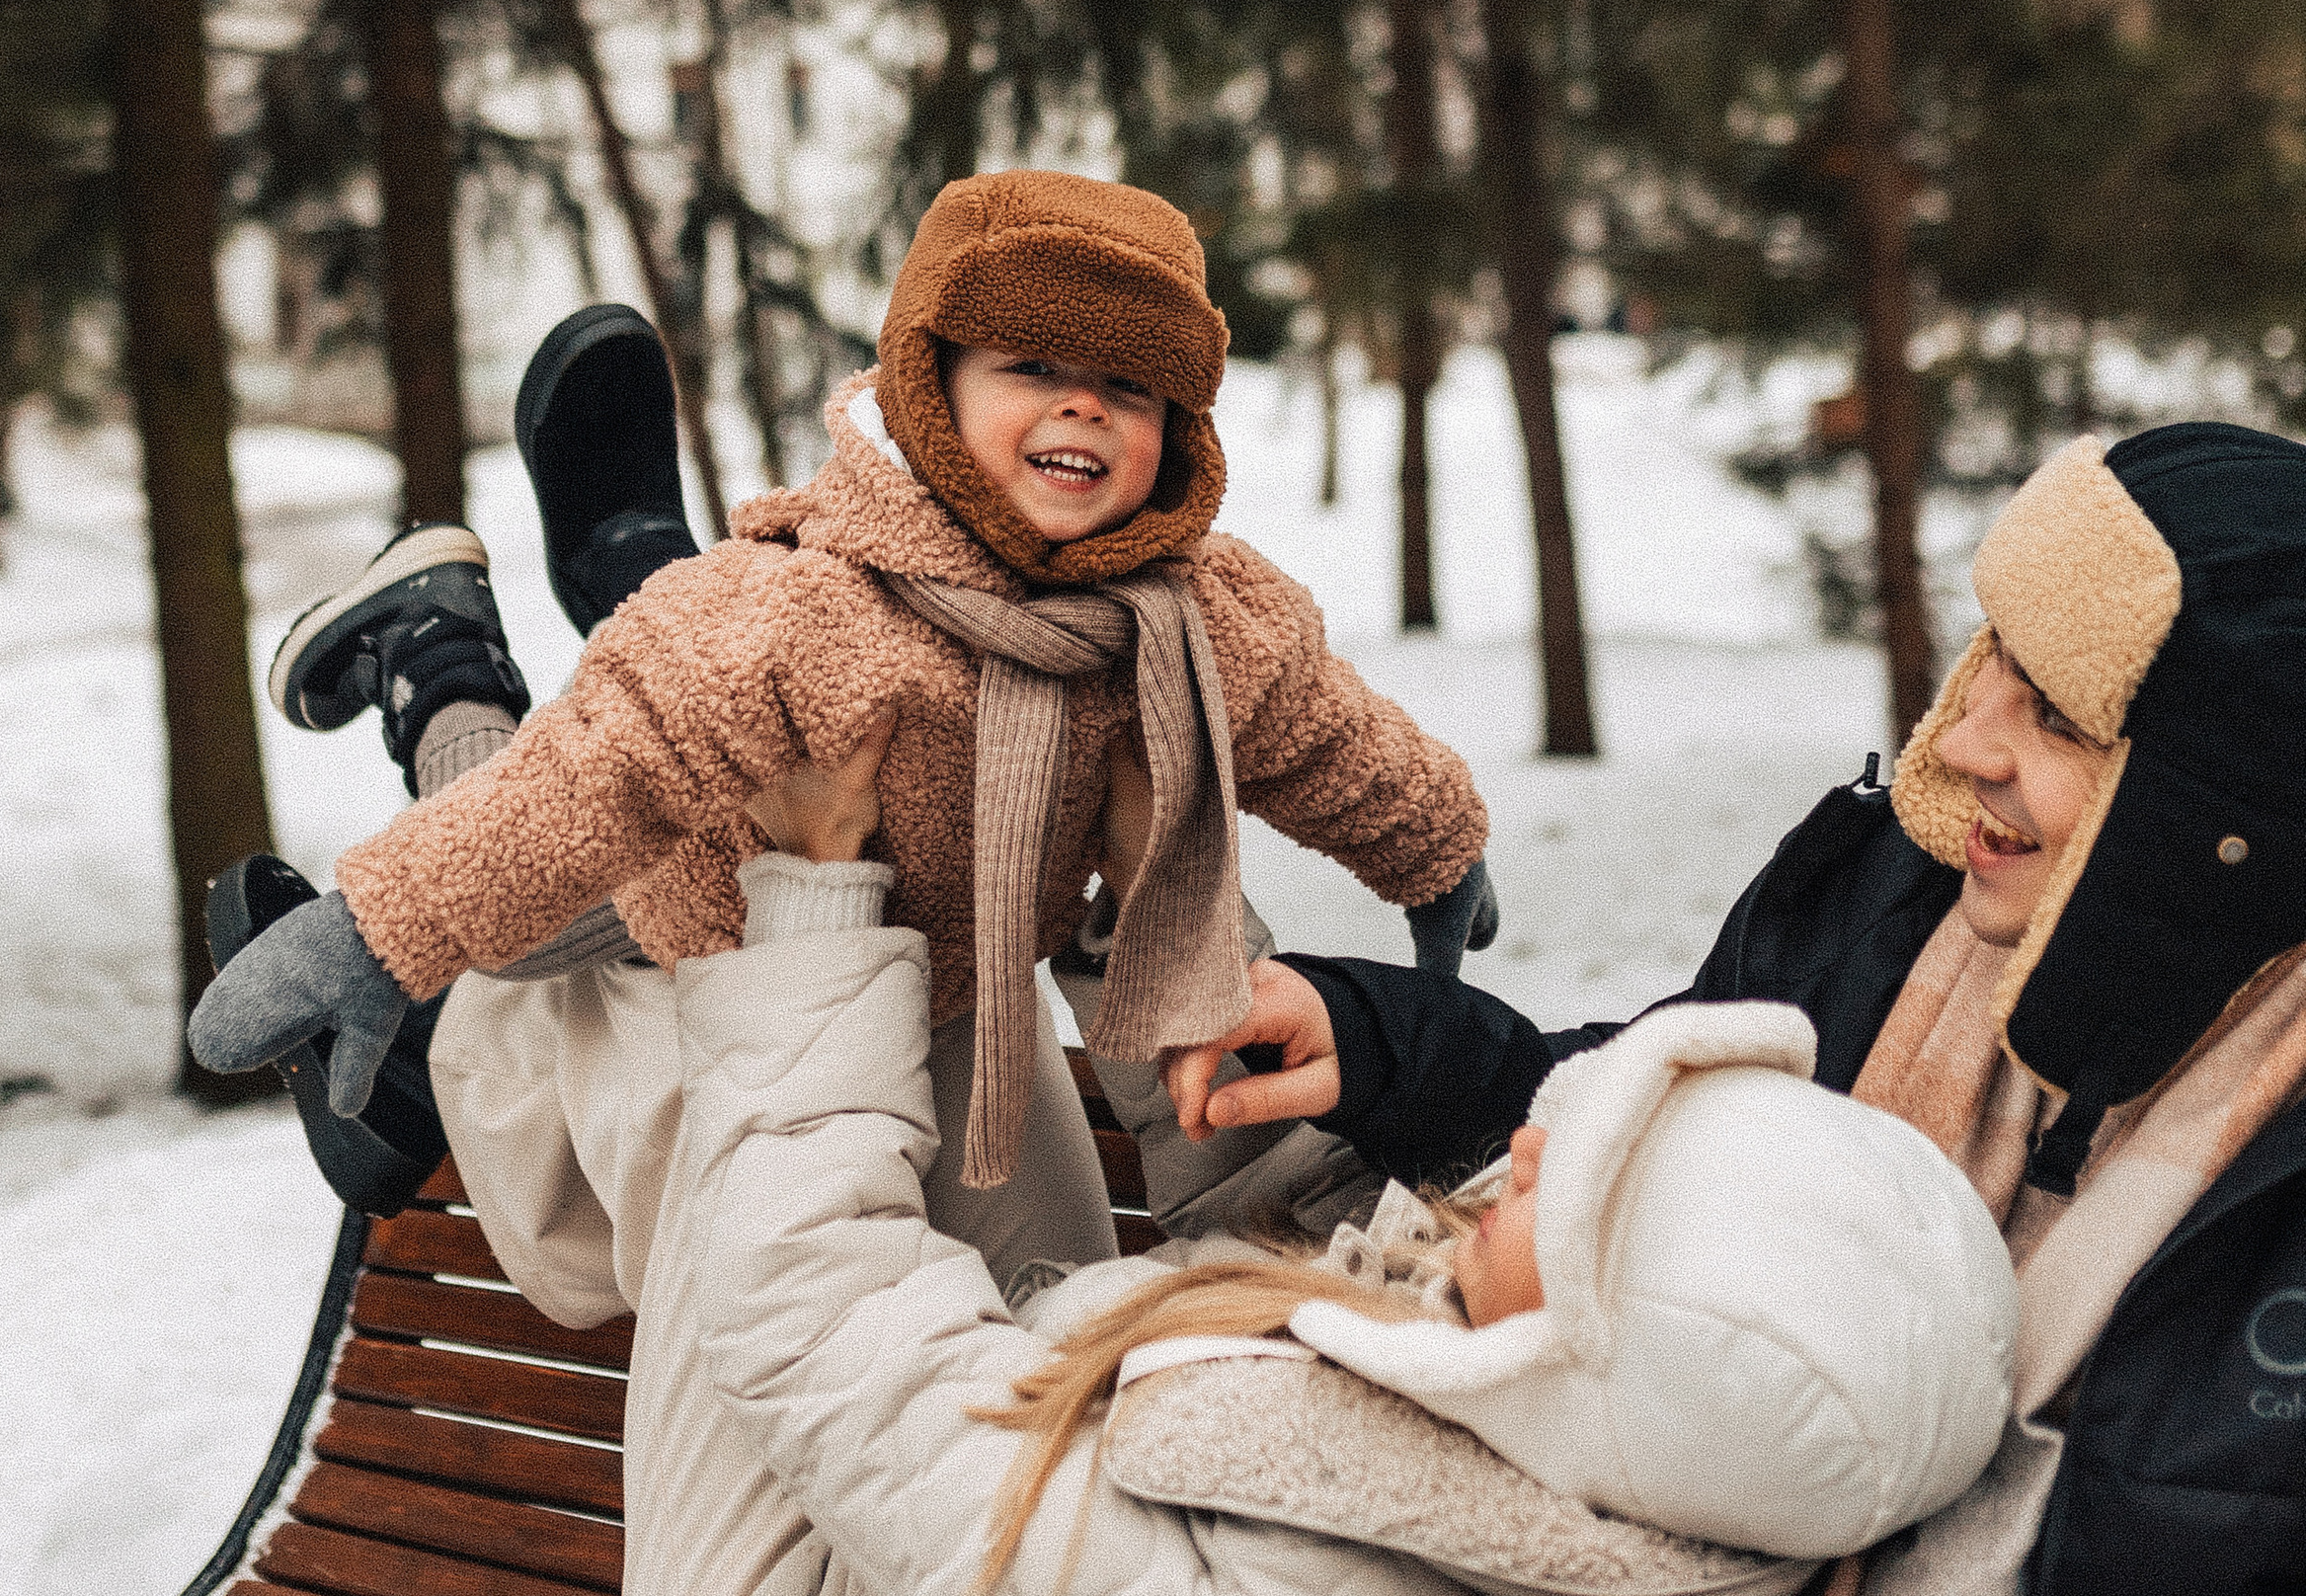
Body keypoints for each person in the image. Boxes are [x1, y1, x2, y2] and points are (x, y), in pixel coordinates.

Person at [821, 417, 2306, 1596]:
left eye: (2061, 716)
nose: (1968, 736)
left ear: (2229, 805)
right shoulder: (1916, 902)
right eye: (1986, 652)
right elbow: (1664, 1166)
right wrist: (1388, 1046)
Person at [530, 724, 2008, 1596]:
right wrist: (1140, 914)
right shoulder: (1605, 1463)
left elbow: (809, 1306)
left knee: (726, 1020)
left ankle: (466, 766)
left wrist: (812, 900)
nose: (1537, 1138)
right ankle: (486, 1000)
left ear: (1576, 1350)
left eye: (1580, 1186)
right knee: (897, 1004)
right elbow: (1293, 1246)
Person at [195, 172, 1493, 1204]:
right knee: (515, 903)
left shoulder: (1200, 620)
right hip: (709, 890)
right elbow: (595, 776)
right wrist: (383, 924)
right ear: (934, 390)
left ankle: (631, 569)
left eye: (1131, 388)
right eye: (1035, 370)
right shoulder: (825, 620)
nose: (1086, 409)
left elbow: (1331, 737)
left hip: (928, 972)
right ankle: (438, 657)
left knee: (662, 692)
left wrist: (1433, 848)